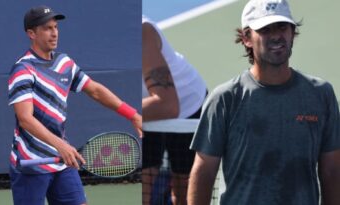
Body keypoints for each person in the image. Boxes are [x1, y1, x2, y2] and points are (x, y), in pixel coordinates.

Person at [188, 0, 340, 204]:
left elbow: (331, 171)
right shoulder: (224, 99)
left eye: (282, 27)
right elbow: (204, 172)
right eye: (265, 30)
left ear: (292, 32)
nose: (277, 35)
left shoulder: (321, 94)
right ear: (246, 38)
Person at [8, 5, 142, 205]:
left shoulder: (64, 63)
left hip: (63, 161)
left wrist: (132, 114)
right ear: (31, 33)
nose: (54, 33)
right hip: (32, 163)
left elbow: (94, 90)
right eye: (47, 28)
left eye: (56, 27)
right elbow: (25, 119)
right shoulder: (23, 69)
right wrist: (61, 145)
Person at [142, 16, 208, 205]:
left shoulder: (142, 32)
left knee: (185, 194)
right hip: (146, 113)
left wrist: (116, 110)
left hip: (188, 110)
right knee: (143, 189)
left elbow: (168, 106)